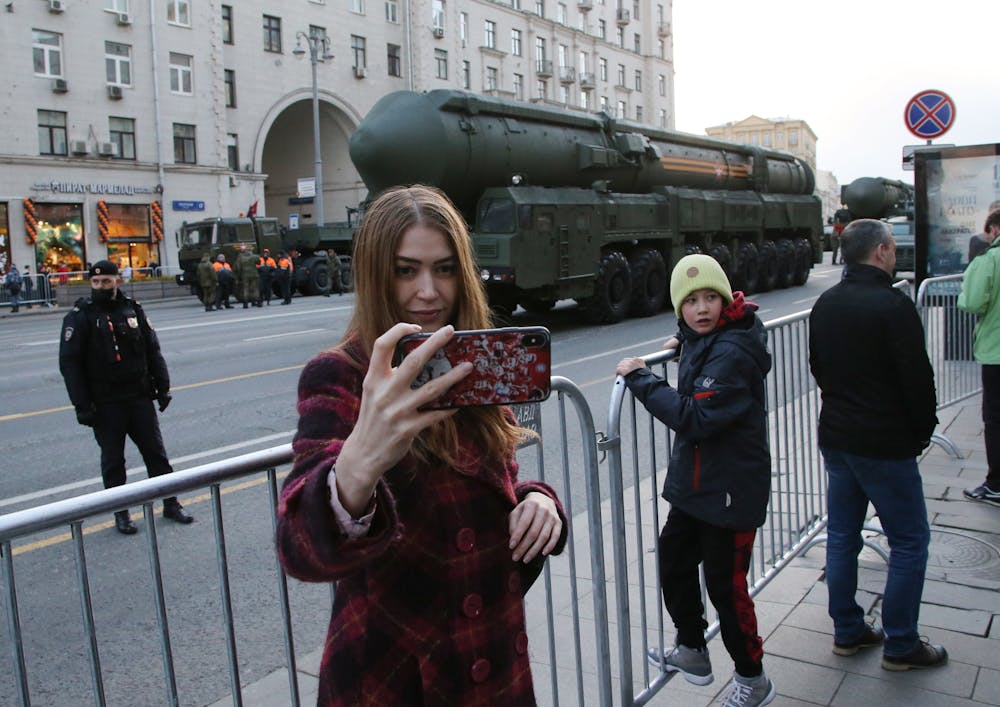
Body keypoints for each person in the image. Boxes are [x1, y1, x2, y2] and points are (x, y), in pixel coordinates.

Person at [275, 185, 567, 705]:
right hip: (395, 675)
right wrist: (359, 463)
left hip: (494, 663)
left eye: (445, 269)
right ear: (375, 275)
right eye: (406, 270)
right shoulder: (343, 374)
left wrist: (538, 501)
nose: (428, 291)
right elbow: (300, 546)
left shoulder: (473, 363)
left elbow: (498, 479)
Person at [615, 254, 775, 707]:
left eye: (710, 298)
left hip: (729, 490)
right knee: (674, 561)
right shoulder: (709, 338)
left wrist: (642, 378)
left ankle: (753, 678)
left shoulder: (733, 350)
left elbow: (696, 417)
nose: (701, 308)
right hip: (698, 485)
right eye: (690, 302)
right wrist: (683, 342)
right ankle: (692, 649)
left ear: (725, 300)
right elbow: (698, 352)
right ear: (678, 308)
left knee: (727, 589)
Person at [809, 218, 947, 671]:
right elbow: (916, 378)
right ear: (883, 251)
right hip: (885, 443)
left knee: (843, 535)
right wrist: (922, 431)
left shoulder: (826, 303)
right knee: (909, 540)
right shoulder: (893, 305)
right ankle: (901, 642)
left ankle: (847, 631)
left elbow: (819, 368)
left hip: (838, 437)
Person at [58, 260, 194, 534]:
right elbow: (70, 365)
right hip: (106, 404)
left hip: (138, 397)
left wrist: (163, 387)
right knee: (113, 462)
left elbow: (152, 351)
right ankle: (121, 513)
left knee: (156, 455)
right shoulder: (80, 317)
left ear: (117, 281)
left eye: (105, 281)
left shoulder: (133, 309)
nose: (99, 286)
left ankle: (171, 503)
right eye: (95, 282)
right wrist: (82, 405)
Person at [957, 208, 1000, 506]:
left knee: (995, 418)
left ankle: (996, 484)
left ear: (994, 229)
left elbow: (971, 302)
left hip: (996, 352)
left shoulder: (989, 261)